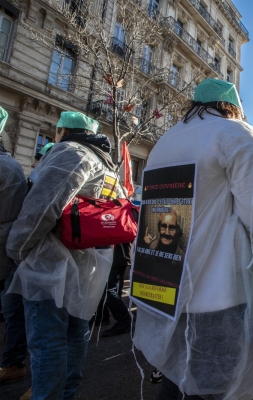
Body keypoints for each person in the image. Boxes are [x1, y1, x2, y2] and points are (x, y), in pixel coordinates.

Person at [132, 78, 253, 399]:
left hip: (163, 284)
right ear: (233, 107)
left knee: (176, 375)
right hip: (219, 291)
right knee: (215, 385)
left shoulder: (165, 141)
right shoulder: (235, 133)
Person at [6, 111, 119, 400]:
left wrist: (17, 250)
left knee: (48, 341)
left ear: (62, 131)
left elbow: (42, 206)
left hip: (52, 263)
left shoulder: (71, 152)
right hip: (85, 267)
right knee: (73, 334)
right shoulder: (106, 164)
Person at [0, 106, 29, 386]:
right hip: (11, 251)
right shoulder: (11, 166)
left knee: (12, 311)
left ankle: (12, 362)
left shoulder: (6, 167)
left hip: (8, 253)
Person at [93, 242, 133, 337]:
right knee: (103, 286)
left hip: (116, 253)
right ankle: (102, 316)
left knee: (108, 290)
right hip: (111, 252)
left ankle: (124, 321)